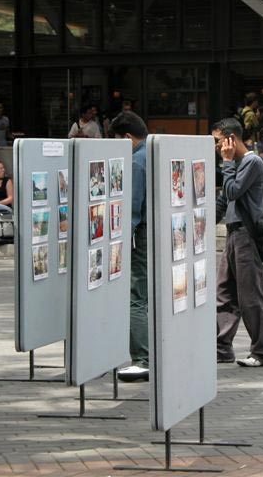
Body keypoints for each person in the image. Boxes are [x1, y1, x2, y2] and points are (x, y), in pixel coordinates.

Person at [213, 117, 263, 367]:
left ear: (231, 139)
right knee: (225, 291)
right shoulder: (236, 164)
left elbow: (233, 191)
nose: (217, 147)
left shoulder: (252, 162)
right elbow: (225, 199)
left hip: (246, 234)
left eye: (218, 141)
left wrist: (226, 163)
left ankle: (261, 351)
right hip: (233, 232)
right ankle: (222, 347)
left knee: (250, 295)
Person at [109, 111, 150, 382]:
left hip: (140, 238)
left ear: (126, 137)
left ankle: (142, 358)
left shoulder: (136, 161)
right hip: (157, 234)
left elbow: (132, 210)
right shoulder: (155, 152)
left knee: (136, 297)